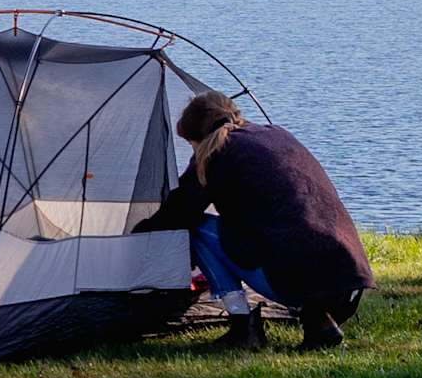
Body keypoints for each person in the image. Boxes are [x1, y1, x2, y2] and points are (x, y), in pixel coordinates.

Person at [153, 90, 371, 352]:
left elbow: (180, 211)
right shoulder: (276, 134)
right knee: (283, 238)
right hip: (350, 282)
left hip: (293, 281)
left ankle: (243, 325)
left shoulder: (217, 151)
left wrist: (138, 235)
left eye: (191, 145)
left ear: (198, 137)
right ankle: (318, 321)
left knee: (197, 227)